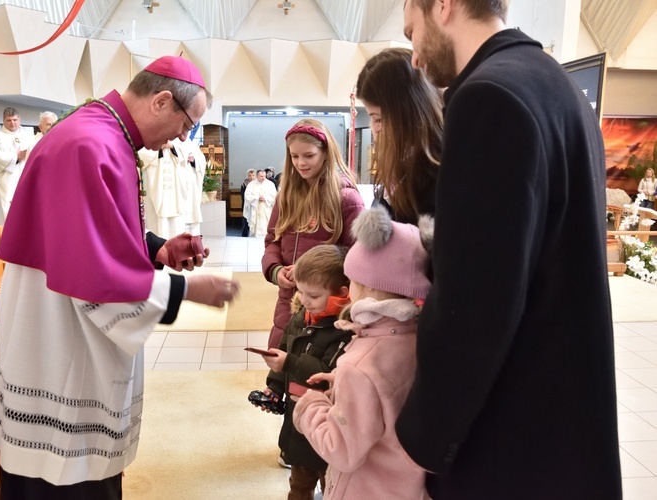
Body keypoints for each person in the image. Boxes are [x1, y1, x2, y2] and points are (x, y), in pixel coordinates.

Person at [397, 1, 621, 498]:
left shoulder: (487, 96)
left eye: (411, 32)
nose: (413, 56)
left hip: (509, 431)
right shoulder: (553, 81)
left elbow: (474, 302)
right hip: (561, 416)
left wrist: (422, 437)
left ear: (443, 7)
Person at [0, 55, 240, 499]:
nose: (184, 138)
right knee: (67, 474)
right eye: (187, 125)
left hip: (56, 324)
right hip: (58, 338)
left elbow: (86, 228)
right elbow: (94, 274)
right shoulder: (92, 144)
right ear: (162, 101)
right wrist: (187, 289)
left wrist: (154, 247)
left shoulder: (101, 133)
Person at [294, 206, 433, 500]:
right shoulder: (421, 338)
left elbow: (341, 449)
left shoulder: (359, 367)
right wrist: (342, 386)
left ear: (367, 285)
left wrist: (311, 406)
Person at [254, 245, 353, 500]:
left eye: (314, 295)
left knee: (331, 486)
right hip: (297, 420)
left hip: (328, 423)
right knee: (299, 485)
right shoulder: (301, 316)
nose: (305, 300)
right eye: (301, 292)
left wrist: (289, 363)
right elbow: (283, 348)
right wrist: (274, 388)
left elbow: (326, 374)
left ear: (342, 294)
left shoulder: (346, 331)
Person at [262, 118, 364, 349]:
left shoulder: (346, 198)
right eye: (294, 156)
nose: (300, 163)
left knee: (314, 372)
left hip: (328, 307)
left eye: (309, 155)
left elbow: (360, 254)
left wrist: (310, 270)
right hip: (288, 300)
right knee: (282, 361)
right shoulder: (286, 196)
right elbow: (272, 241)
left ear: (326, 153)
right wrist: (275, 269)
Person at [355, 47, 443, 224]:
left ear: (410, 113)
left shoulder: (437, 175)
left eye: (378, 119)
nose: (374, 129)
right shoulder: (402, 168)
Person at [139, 137, 206, 238]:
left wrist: (172, 146)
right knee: (156, 230)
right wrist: (160, 147)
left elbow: (192, 156)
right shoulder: (151, 135)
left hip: (176, 195)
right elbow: (140, 155)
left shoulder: (180, 139)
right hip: (156, 192)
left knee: (177, 231)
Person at [0, 106, 32, 225]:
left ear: (19, 119)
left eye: (15, 120)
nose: (12, 123)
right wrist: (16, 157)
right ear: (3, 121)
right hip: (7, 180)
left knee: (29, 207)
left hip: (27, 177)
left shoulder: (28, 136)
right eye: (9, 120)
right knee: (9, 210)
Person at [244, 169, 277, 238]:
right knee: (256, 226)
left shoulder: (270, 184)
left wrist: (265, 198)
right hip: (255, 209)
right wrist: (257, 198)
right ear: (257, 176)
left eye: (264, 176)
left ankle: (267, 238)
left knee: (266, 225)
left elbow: (274, 196)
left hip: (266, 209)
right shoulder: (251, 185)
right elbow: (247, 196)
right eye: (261, 176)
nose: (263, 178)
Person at [240, 168, 256, 237]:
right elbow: (244, 196)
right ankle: (244, 237)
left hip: (255, 206)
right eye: (250, 175)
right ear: (247, 176)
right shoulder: (244, 184)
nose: (251, 177)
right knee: (245, 223)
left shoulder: (257, 184)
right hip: (246, 205)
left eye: (253, 175)